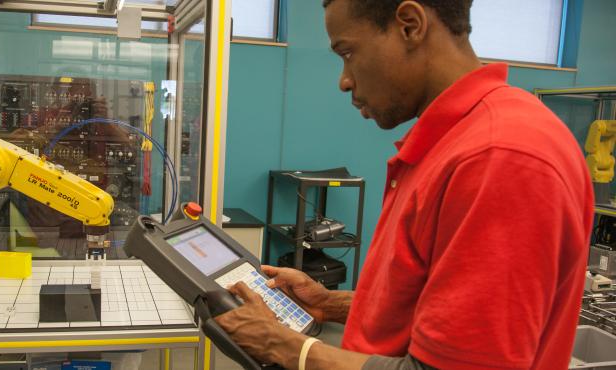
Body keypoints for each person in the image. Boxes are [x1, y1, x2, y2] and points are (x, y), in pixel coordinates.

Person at [214, 1, 594, 369]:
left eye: (347, 53)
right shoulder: (457, 142)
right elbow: (438, 310)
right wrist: (328, 303)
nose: (344, 81)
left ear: (410, 24)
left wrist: (286, 347)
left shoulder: (499, 157)